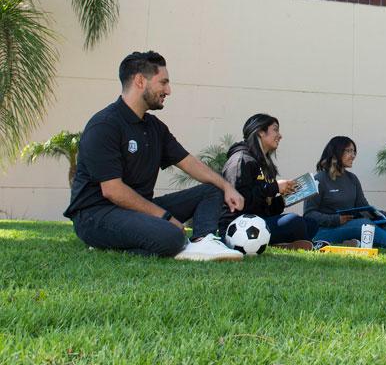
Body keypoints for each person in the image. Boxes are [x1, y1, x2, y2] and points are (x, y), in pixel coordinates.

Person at [64, 51, 245, 261]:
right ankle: (112, 244)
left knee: (211, 190)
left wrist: (226, 186)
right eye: (163, 83)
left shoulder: (154, 127)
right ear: (140, 81)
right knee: (172, 236)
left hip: (136, 211)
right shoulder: (105, 125)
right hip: (96, 215)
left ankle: (202, 242)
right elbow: (112, 190)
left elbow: (189, 162)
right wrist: (165, 217)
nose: (168, 90)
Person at [303, 136, 386, 253]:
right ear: (335, 152)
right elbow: (309, 214)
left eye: (354, 152)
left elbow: (364, 207)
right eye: (348, 151)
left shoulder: (352, 179)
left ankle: (352, 243)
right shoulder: (318, 180)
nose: (353, 155)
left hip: (350, 226)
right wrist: (336, 219)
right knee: (363, 225)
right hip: (324, 231)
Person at [218, 114, 318, 250]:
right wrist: (274, 187)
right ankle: (304, 244)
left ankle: (285, 244)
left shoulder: (264, 164)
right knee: (294, 222)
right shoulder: (241, 160)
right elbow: (239, 203)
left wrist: (284, 199)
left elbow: (265, 210)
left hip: (260, 222)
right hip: (240, 226)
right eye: (275, 130)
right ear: (260, 132)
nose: (280, 135)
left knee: (311, 223)